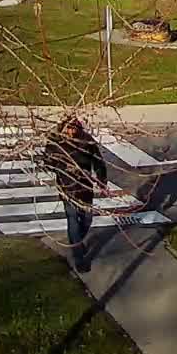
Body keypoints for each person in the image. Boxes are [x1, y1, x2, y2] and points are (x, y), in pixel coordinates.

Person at [42, 117, 106, 273]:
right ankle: (79, 258)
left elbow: (98, 161)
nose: (71, 132)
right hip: (67, 187)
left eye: (75, 128)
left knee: (87, 218)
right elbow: (47, 163)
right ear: (63, 128)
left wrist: (101, 180)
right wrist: (62, 166)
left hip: (84, 187)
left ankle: (77, 240)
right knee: (73, 219)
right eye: (68, 128)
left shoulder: (87, 141)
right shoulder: (56, 143)